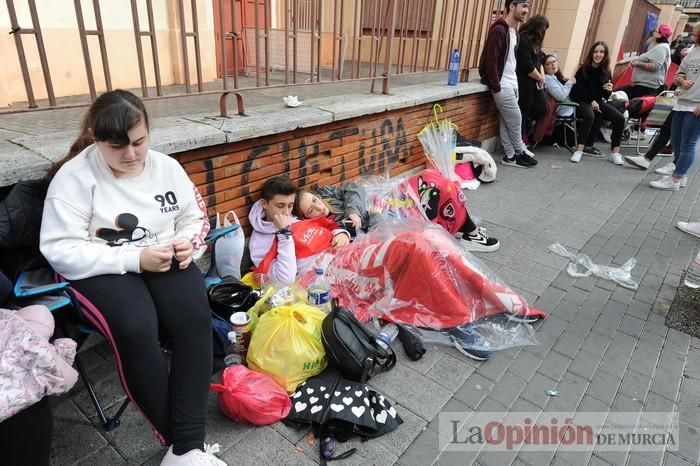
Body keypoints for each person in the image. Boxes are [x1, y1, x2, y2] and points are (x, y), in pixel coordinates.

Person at [39, 90, 225, 466]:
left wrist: (191, 244)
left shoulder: (166, 167)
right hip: (99, 265)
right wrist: (133, 259)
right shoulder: (73, 178)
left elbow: (193, 217)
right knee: (137, 325)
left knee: (193, 318)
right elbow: (59, 248)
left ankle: (186, 448)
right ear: (95, 137)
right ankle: (183, 446)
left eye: (139, 142)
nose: (131, 154)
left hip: (161, 255)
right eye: (117, 146)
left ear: (148, 131)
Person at [249, 177, 542, 362]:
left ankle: (495, 297)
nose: (285, 213)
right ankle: (457, 322)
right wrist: (284, 234)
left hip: (349, 254)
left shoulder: (305, 218)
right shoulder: (263, 239)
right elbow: (283, 278)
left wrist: (341, 232)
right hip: (332, 275)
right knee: (417, 247)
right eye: (280, 206)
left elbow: (338, 217)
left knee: (431, 241)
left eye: (290, 207)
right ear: (265, 204)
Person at [293, 169, 499, 252]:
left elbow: (353, 187)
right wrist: (373, 215)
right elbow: (371, 238)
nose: (319, 207)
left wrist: (352, 211)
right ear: (305, 218)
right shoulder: (329, 230)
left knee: (430, 177)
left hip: (389, 199)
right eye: (311, 210)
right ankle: (470, 233)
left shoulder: (326, 194)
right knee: (435, 194)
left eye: (315, 200)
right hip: (389, 219)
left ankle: (462, 229)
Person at [479, 0, 537, 168]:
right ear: (512, 6)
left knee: (506, 120)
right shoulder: (499, 30)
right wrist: (496, 87)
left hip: (512, 83)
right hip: (502, 84)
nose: (526, 10)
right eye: (523, 6)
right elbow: (491, 61)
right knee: (516, 118)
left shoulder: (514, 32)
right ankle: (520, 151)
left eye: (527, 6)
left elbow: (511, 61)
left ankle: (510, 156)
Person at [650, 22, 700, 191]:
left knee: (688, 144)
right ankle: (681, 175)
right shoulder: (693, 51)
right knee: (677, 142)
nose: (692, 35)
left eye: (695, 32)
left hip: (696, 105)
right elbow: (679, 73)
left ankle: (675, 179)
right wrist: (682, 81)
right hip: (682, 102)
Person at [569, 41, 626, 165]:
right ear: (591, 53)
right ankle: (579, 150)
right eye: (596, 51)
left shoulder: (606, 71)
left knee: (620, 118)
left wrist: (609, 90)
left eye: (601, 52)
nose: (598, 54)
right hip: (582, 100)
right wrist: (592, 101)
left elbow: (605, 95)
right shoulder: (584, 68)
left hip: (598, 102)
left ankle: (615, 152)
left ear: (605, 55)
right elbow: (576, 91)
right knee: (590, 116)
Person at [516, 15, 549, 146]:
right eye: (543, 29)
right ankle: (520, 140)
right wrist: (540, 78)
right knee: (523, 112)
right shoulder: (524, 40)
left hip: (534, 83)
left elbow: (539, 60)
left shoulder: (535, 44)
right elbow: (527, 65)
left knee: (542, 107)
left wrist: (542, 76)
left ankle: (525, 130)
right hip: (524, 83)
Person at [619, 23, 672, 98]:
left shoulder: (661, 48)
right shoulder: (660, 47)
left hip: (646, 86)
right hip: (645, 84)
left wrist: (638, 63)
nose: (653, 32)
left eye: (656, 31)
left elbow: (655, 66)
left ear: (660, 35)